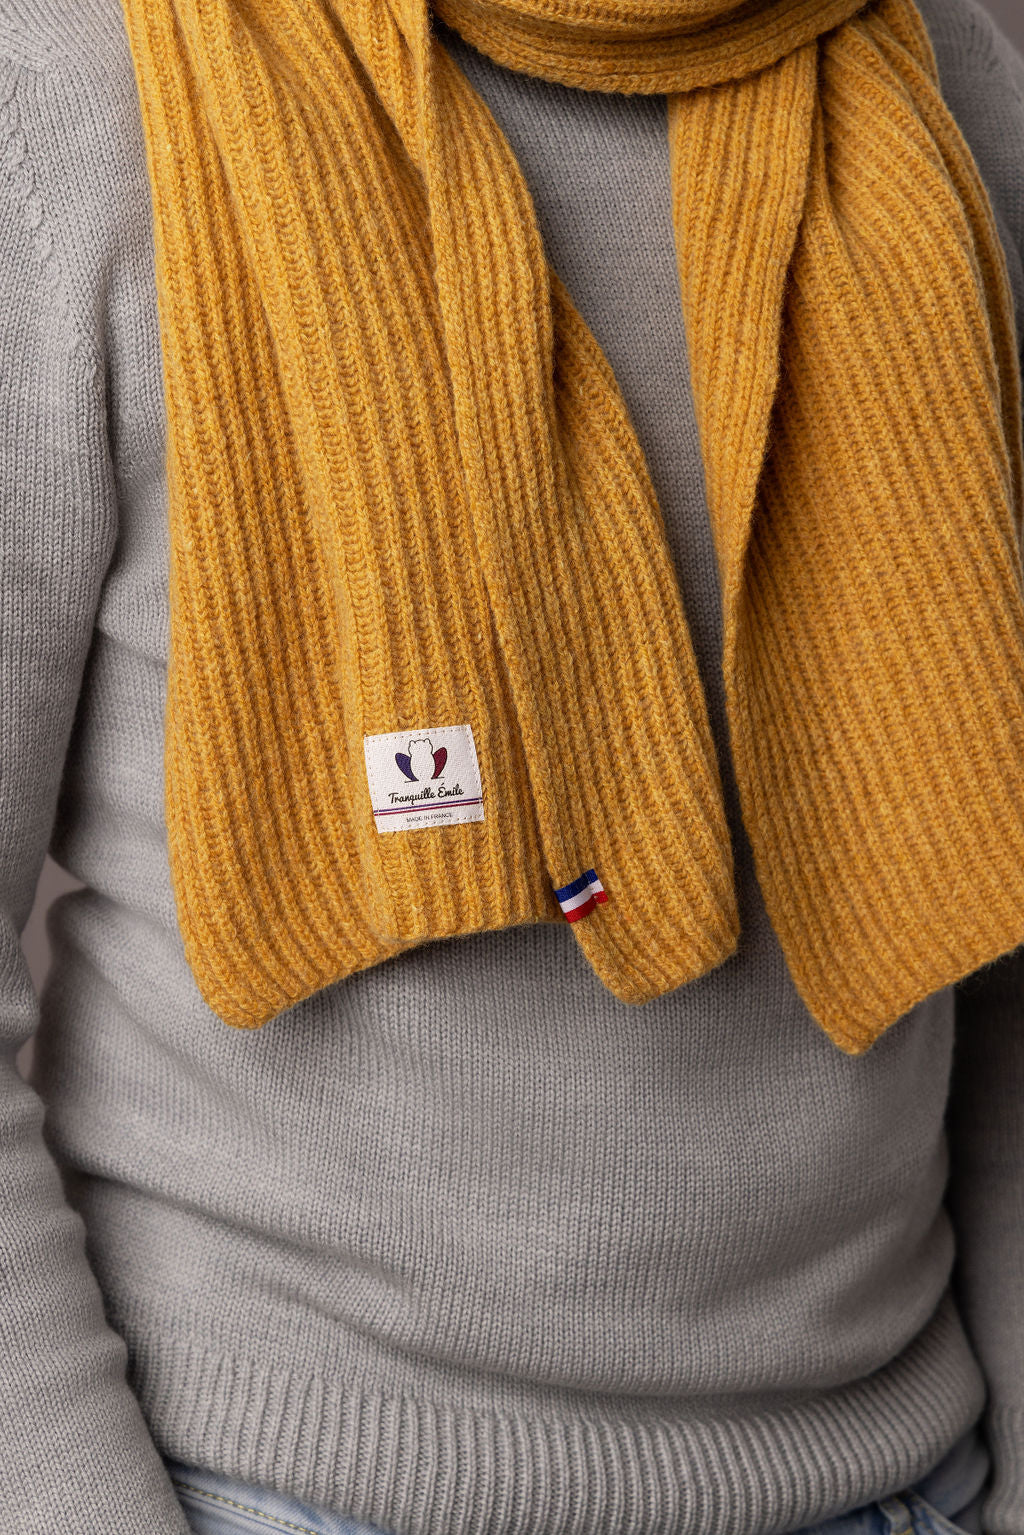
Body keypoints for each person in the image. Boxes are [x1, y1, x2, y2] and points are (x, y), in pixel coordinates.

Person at [2, 0, 1023, 1532]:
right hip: (276, 1491)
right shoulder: (73, 98)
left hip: (905, 1476)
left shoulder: (942, 72)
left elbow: (987, 897)